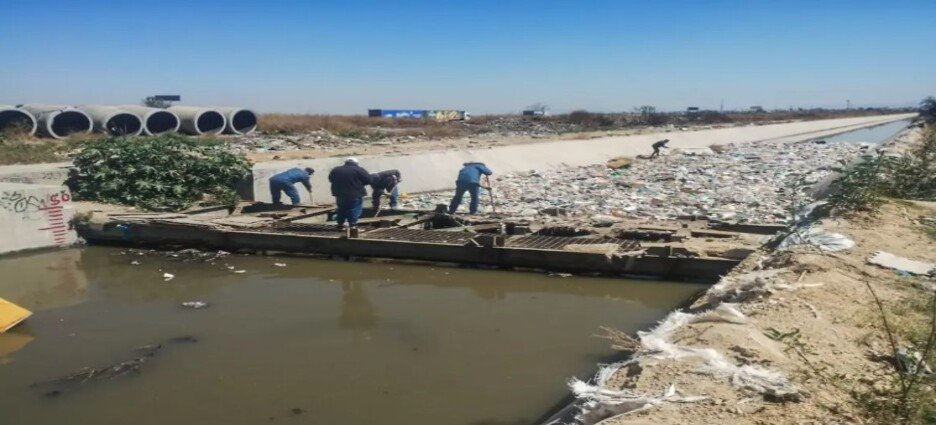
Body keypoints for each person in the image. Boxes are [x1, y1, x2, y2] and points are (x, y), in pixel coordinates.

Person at [328, 157, 372, 229]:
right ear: (356, 163)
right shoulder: (359, 169)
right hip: (355, 193)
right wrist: (360, 184)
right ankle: (353, 226)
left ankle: (340, 225)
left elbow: (331, 179)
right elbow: (369, 180)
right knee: (354, 209)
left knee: (341, 209)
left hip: (339, 194)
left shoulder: (336, 169)